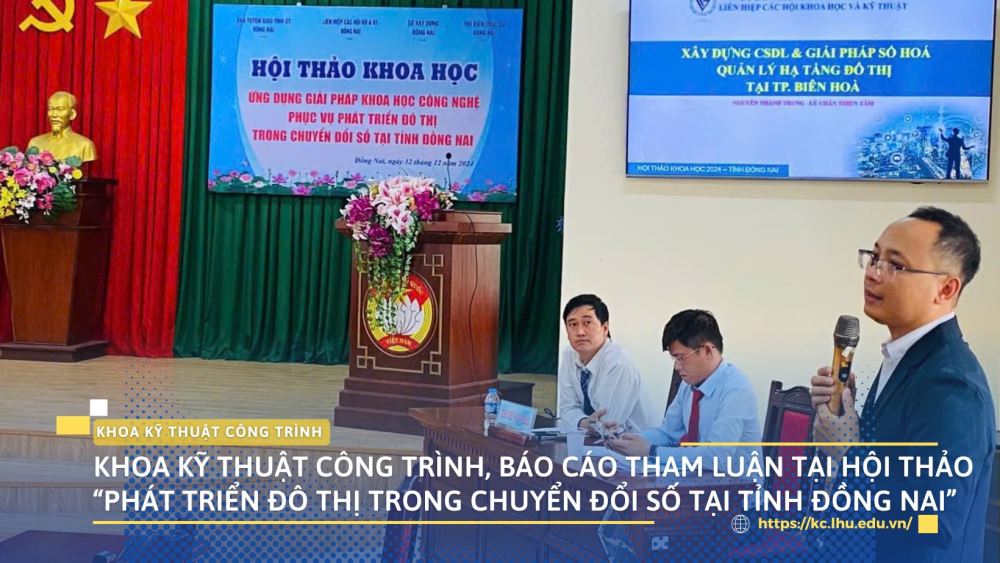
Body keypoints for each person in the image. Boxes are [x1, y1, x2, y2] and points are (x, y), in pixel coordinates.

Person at [811, 207, 995, 562]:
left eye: (896, 265)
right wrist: (845, 416)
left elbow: (936, 523)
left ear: (946, 288)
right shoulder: (906, 357)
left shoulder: (950, 384)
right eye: (874, 257)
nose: (873, 273)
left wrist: (848, 453)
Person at [607, 309, 761, 465]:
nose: (676, 367)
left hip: (733, 479)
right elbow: (668, 433)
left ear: (707, 350)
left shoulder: (736, 390)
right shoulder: (689, 385)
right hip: (695, 476)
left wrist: (652, 452)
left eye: (681, 358)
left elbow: (716, 457)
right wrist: (624, 440)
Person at [556, 294, 654, 433]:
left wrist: (589, 425)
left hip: (631, 440)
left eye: (587, 323)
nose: (580, 332)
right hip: (591, 437)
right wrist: (585, 423)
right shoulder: (569, 355)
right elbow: (567, 408)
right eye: (573, 324)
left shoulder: (618, 364)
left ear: (605, 328)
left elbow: (608, 423)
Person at [28, 91, 97, 162]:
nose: (54, 115)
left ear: (72, 114)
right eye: (51, 109)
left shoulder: (85, 145)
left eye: (60, 109)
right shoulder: (35, 143)